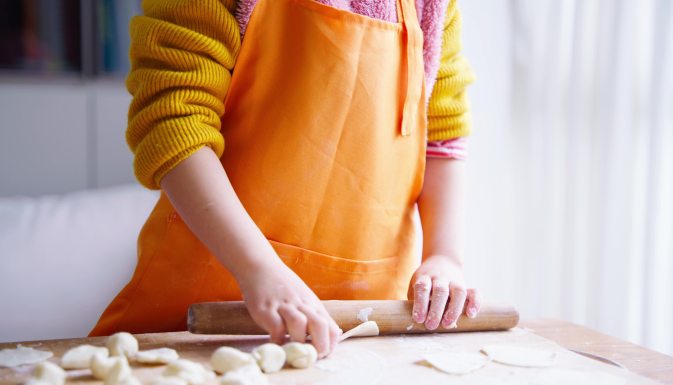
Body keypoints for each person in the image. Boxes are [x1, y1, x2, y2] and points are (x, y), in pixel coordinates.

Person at [90, 0, 480, 358]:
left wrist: (444, 256)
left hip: (359, 332)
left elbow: (443, 137)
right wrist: (257, 267)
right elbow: (175, 121)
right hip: (201, 325)